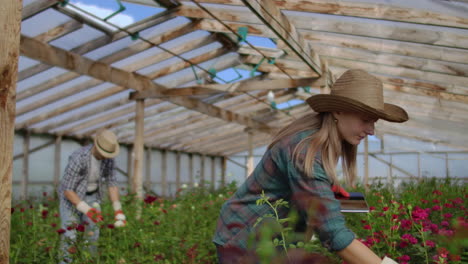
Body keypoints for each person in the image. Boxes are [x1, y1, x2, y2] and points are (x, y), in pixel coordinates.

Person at [213, 69, 408, 264]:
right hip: (245, 237)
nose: (371, 130)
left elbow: (314, 190)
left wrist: (335, 196)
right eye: (365, 120)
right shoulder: (305, 149)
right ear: (338, 110)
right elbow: (332, 232)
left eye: (374, 122)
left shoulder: (323, 140)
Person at [58, 129, 127, 263]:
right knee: (70, 235)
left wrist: (118, 209)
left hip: (92, 197)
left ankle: (88, 261)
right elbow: (67, 189)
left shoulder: (109, 160)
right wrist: (87, 210)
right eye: (104, 153)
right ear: (96, 145)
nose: (106, 156)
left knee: (93, 234)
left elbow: (112, 184)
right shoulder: (79, 158)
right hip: (71, 198)